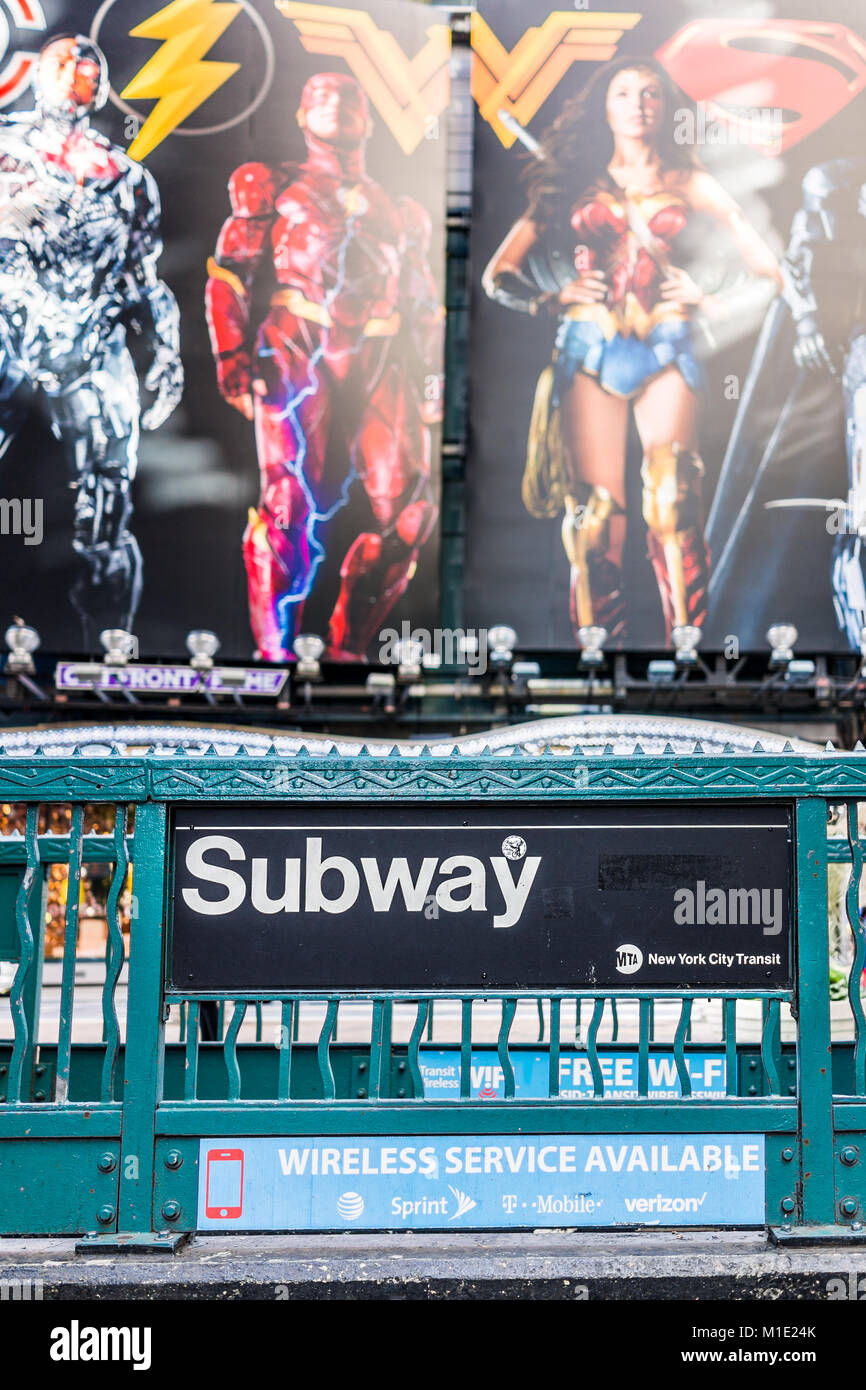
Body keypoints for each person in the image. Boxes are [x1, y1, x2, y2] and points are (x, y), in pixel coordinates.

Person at [482, 56, 783, 644]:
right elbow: (499, 275)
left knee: (674, 498)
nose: (638, 103)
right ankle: (598, 656)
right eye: (624, 93)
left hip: (665, 340)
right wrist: (552, 297)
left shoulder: (690, 182)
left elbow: (767, 269)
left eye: (649, 93)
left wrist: (710, 292)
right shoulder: (571, 184)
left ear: (665, 105)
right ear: (605, 106)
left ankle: (689, 650)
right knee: (594, 516)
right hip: (589, 344)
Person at [205, 72, 443, 662]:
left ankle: (347, 649)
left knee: (411, 513)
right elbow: (231, 270)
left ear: (367, 115)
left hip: (382, 354)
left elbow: (424, 305)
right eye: (320, 96)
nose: (336, 104)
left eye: (349, 97)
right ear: (300, 115)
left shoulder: (405, 211)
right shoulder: (271, 186)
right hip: (298, 343)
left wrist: (434, 382)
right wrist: (231, 354)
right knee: (288, 507)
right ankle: (274, 659)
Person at [0, 34, 182, 641]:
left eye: (88, 68)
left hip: (86, 333)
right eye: (63, 65)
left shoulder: (127, 178)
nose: (77, 76)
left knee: (106, 501)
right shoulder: (2, 149)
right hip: (10, 321)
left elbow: (141, 277)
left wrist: (167, 353)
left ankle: (109, 654)